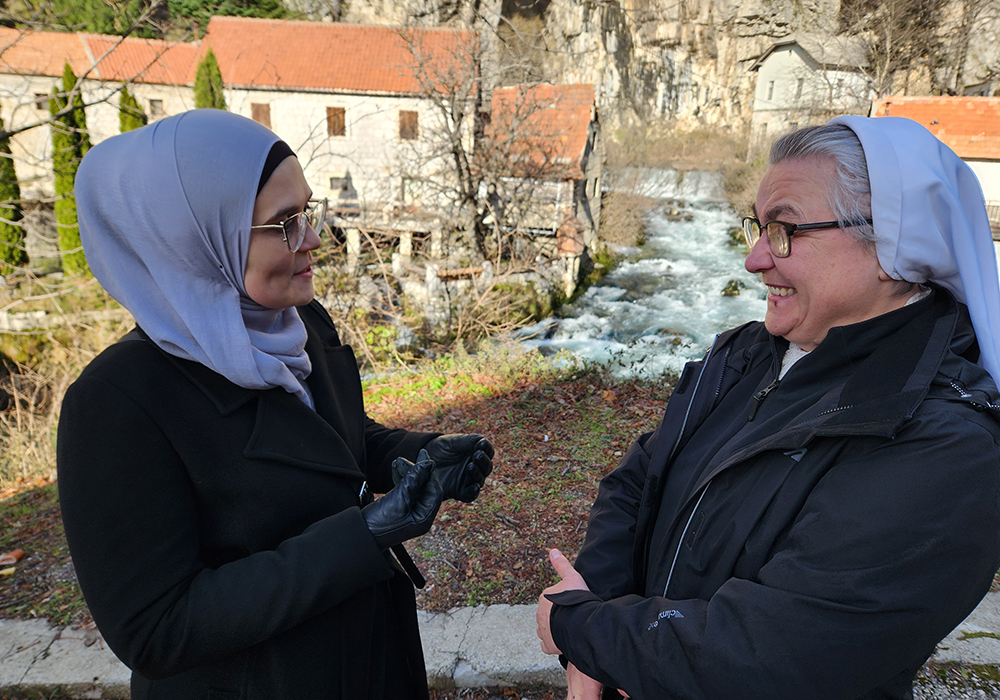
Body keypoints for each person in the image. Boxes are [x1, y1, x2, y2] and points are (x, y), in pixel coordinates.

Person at [536, 116, 1000, 700]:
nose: (754, 260)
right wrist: (599, 621)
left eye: (784, 231)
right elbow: (639, 481)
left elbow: (777, 653)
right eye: (756, 228)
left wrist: (581, 629)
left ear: (892, 246)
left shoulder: (942, 445)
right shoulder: (747, 352)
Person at [57, 109, 494, 700]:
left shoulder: (298, 321)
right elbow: (157, 629)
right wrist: (362, 536)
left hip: (370, 659)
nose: (314, 240)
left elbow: (334, 441)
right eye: (284, 223)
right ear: (197, 239)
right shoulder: (117, 404)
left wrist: (423, 456)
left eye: (307, 211)